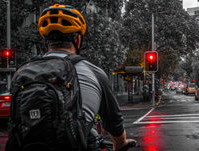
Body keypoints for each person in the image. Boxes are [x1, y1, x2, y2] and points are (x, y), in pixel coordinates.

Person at [37, 4, 134, 150]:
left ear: (45, 42)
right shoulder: (94, 72)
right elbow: (114, 124)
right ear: (78, 41)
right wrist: (120, 144)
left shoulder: (22, 72)